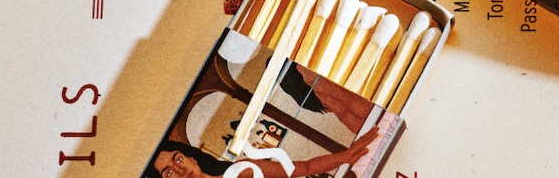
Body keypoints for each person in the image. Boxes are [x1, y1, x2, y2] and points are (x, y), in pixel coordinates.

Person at [145, 115, 391, 178]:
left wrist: (344, 157)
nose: (178, 171)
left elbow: (303, 167)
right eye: (167, 173)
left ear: (192, 157)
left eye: (177, 159)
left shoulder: (246, 170)